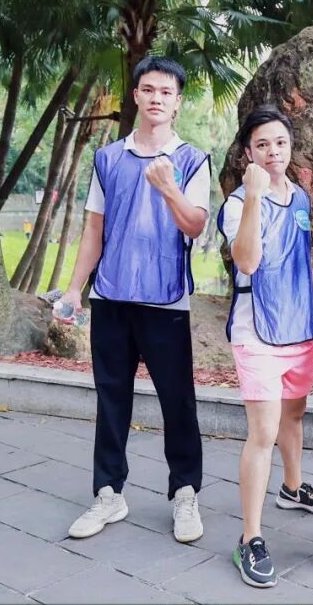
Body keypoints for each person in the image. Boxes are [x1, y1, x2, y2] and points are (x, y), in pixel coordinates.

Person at [58, 56, 210, 545]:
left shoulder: (193, 159)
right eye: (148, 89)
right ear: (136, 95)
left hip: (166, 302)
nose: (156, 98)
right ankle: (108, 493)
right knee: (111, 399)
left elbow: (195, 225)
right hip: (111, 296)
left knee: (177, 402)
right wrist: (75, 287)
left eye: (166, 92)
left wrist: (168, 188)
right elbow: (94, 228)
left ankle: (185, 492)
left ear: (177, 101)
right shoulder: (108, 158)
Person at [217, 106, 313, 588]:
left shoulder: (301, 198)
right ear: (248, 152)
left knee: (295, 414)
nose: (272, 152)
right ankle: (250, 538)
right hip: (257, 330)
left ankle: (292, 487)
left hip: (297, 326)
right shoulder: (237, 203)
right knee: (262, 432)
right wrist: (253, 198)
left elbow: (300, 259)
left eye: (280, 142)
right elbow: (246, 261)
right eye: (262, 144)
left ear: (290, 147)